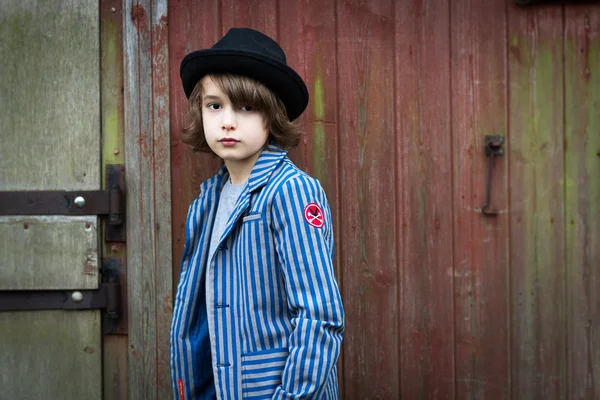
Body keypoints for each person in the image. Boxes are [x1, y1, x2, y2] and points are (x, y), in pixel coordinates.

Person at [170, 28, 345, 400]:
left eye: (246, 107)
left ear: (273, 115)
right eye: (215, 106)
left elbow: (319, 316)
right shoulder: (207, 201)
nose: (227, 121)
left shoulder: (290, 191)